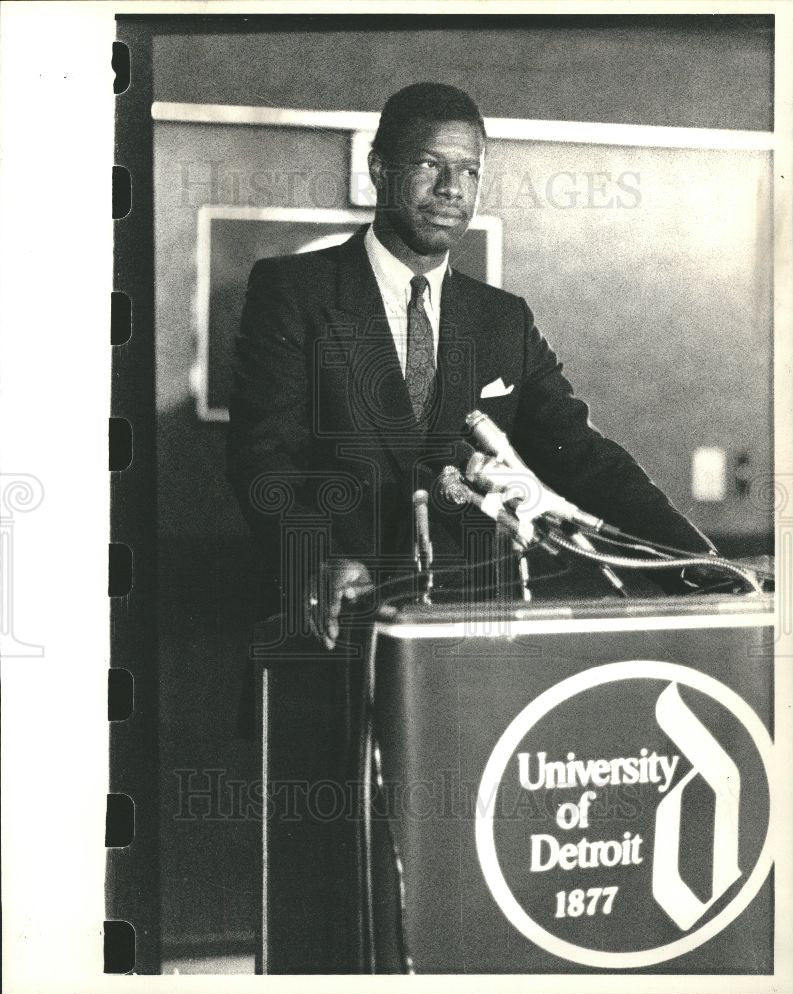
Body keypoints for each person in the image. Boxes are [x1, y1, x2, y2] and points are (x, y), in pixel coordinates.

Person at [227, 81, 713, 648]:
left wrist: (698, 562)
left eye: (470, 171)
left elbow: (584, 457)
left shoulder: (502, 319)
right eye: (430, 165)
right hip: (339, 631)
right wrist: (318, 559)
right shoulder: (294, 291)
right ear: (378, 168)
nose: (451, 188)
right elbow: (263, 456)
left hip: (474, 645)